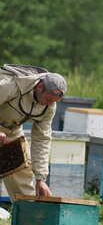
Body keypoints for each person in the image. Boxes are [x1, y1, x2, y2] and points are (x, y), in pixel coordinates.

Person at [0, 64, 67, 200]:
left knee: (21, 171)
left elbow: (42, 139)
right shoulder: (10, 85)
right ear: (40, 87)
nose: (49, 104)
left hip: (11, 131)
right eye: (48, 99)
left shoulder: (49, 107)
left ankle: (28, 215)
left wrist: (40, 178)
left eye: (53, 102)